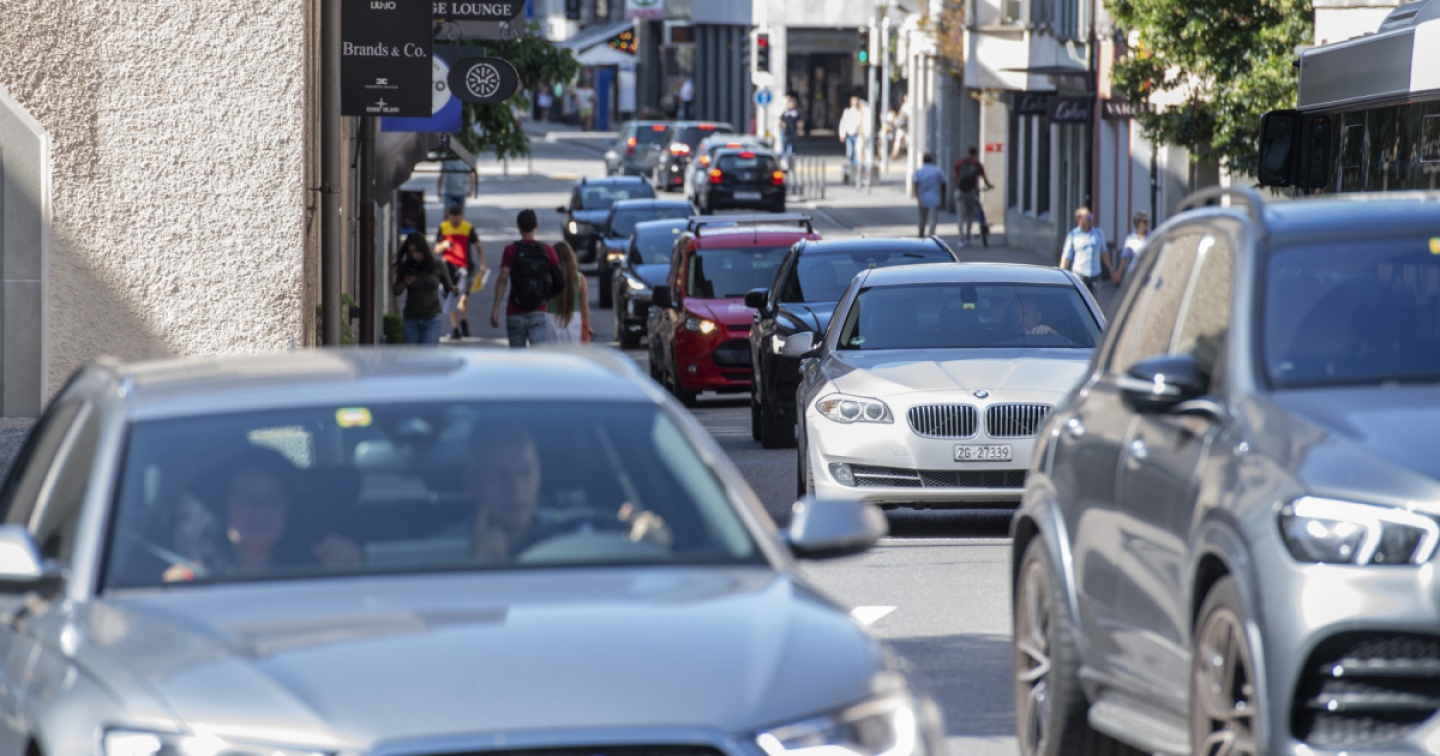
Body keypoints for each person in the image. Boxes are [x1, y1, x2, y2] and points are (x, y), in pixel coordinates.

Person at [460, 426, 673, 563]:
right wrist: (476, 567)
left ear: (539, 475)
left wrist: (638, 545)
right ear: (472, 483)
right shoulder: (445, 551)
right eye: (499, 476)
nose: (515, 487)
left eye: (525, 472)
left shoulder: (575, 531)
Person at [163, 448, 361, 582]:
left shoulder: (317, 569)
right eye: (246, 500)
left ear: (289, 511)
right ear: (223, 509)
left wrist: (347, 571)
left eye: (271, 501)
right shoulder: (192, 578)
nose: (259, 511)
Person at [490, 209, 565, 348]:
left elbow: (503, 279)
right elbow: (560, 282)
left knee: (517, 358)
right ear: (536, 225)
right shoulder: (547, 250)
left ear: (518, 227)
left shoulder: (511, 250)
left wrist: (495, 309)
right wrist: (546, 296)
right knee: (539, 356)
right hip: (538, 311)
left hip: (515, 311)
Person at [394, 232, 456, 345]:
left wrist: (454, 290)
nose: (414, 256)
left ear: (424, 250)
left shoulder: (438, 266)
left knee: (428, 353)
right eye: (410, 253)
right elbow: (396, 291)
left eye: (417, 252)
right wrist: (404, 283)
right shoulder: (407, 267)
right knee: (411, 354)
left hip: (432, 317)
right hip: (411, 318)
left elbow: (448, 289)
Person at [436, 205, 486, 340]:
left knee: (464, 297)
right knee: (451, 296)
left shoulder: (467, 227)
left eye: (457, 217)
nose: (455, 220)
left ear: (461, 216)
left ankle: (463, 322)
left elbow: (478, 246)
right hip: (448, 266)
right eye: (453, 217)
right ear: (449, 216)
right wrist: (444, 245)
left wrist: (482, 263)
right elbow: (436, 248)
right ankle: (455, 328)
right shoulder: (443, 227)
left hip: (465, 266)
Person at [546, 241, 592, 344]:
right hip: (573, 322)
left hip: (550, 321)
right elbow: (584, 307)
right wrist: (586, 326)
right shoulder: (579, 278)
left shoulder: (548, 278)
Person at [1060, 207, 1108, 293]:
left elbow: (1104, 252)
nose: (1090, 220)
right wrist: (1061, 274)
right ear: (1079, 219)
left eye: (1090, 217)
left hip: (1095, 274)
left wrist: (1111, 270)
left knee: (1094, 300)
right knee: (1079, 297)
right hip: (1079, 273)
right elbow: (1066, 256)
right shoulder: (1073, 235)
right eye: (1087, 217)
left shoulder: (1098, 233)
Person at [953, 148, 993, 247]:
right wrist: (989, 185)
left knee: (960, 216)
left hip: (960, 191)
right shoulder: (978, 165)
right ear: (976, 154)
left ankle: (961, 239)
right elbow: (984, 178)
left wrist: (957, 185)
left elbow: (954, 177)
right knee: (969, 216)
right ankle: (968, 238)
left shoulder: (960, 163)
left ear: (968, 153)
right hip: (971, 192)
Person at [913, 152, 946, 239]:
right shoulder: (937, 170)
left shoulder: (919, 171)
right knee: (933, 219)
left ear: (923, 160)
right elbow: (944, 183)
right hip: (935, 198)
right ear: (932, 160)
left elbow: (915, 184)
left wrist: (917, 196)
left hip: (923, 198)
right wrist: (943, 197)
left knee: (922, 218)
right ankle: (931, 236)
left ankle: (921, 235)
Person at [1113, 211, 1150, 284]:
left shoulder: (1152, 236)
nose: (1147, 224)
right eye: (1145, 222)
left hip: (1148, 272)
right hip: (1134, 273)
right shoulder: (1130, 239)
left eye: (1148, 221)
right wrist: (1119, 273)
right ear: (1138, 223)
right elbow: (1124, 258)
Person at [838, 95, 865, 171]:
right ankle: (852, 163)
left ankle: (855, 165)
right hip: (849, 135)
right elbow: (843, 124)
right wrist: (842, 134)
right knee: (850, 152)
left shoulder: (859, 113)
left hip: (857, 135)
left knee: (856, 150)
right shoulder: (847, 112)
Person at [779, 94, 803, 163]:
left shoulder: (796, 113)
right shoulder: (785, 112)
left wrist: (799, 129)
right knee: (784, 147)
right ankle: (784, 160)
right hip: (785, 132)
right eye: (789, 103)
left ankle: (792, 159)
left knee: (793, 147)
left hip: (793, 131)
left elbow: (800, 122)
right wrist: (781, 126)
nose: (790, 105)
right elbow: (780, 122)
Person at [889, 95, 909, 159]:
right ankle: (894, 154)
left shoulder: (908, 106)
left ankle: (896, 154)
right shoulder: (904, 105)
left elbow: (905, 116)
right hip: (901, 128)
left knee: (907, 143)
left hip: (907, 128)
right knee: (897, 141)